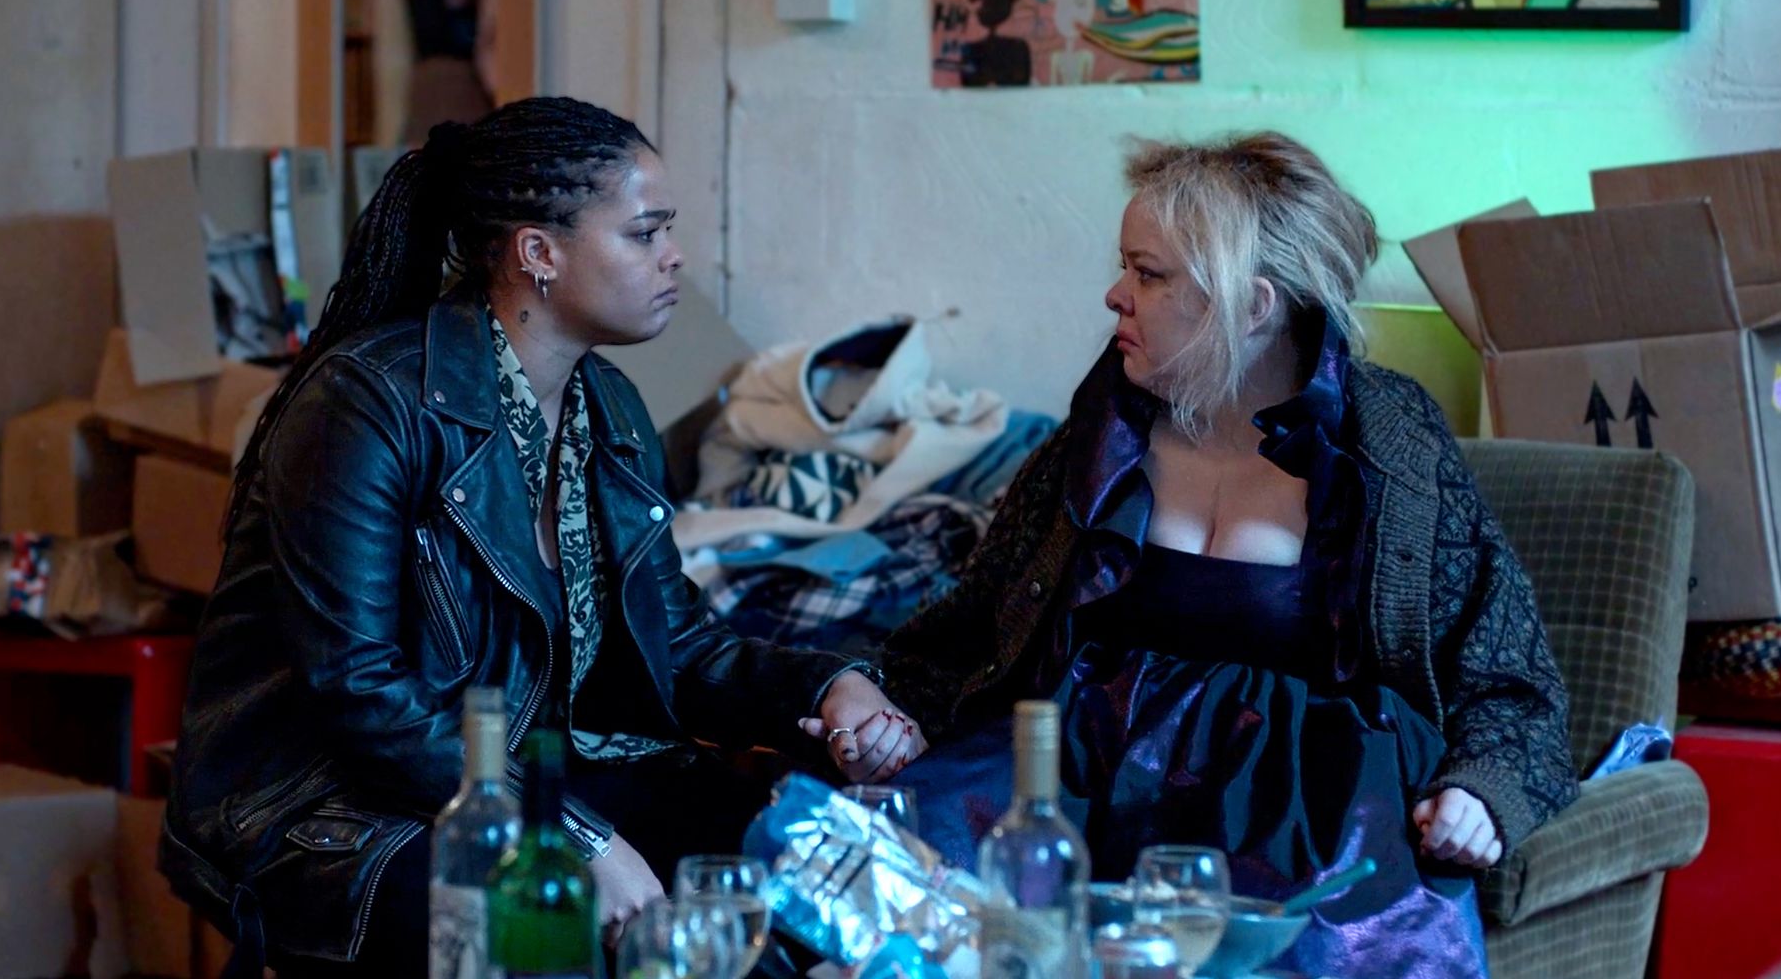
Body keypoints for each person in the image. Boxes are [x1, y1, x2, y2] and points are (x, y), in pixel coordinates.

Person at [159, 97, 917, 978]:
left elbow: (678, 642)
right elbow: (359, 693)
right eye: (644, 233)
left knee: (836, 882)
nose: (674, 256)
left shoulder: (614, 409)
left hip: (546, 776)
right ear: (538, 253)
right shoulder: (368, 403)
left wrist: (834, 686)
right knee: (554, 931)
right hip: (341, 806)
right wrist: (575, 838)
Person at [875, 132, 1578, 977]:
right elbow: (979, 620)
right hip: (1083, 777)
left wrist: (1483, 791)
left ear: (1252, 306)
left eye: (1149, 273)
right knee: (868, 885)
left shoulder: (1392, 444)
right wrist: (874, 702)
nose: (1114, 295)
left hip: (1296, 810)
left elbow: (1508, 672)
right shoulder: (1102, 430)